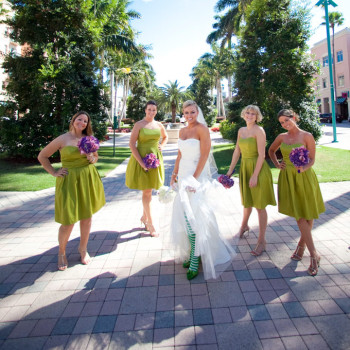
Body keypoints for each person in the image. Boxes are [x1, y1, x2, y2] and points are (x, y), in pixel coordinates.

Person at [170, 100, 235, 280]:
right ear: (183, 113)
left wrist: (194, 178)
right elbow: (180, 155)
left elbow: (205, 155)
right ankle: (193, 252)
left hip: (196, 178)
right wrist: (174, 174)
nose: (189, 115)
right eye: (186, 112)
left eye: (192, 112)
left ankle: (194, 258)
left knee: (194, 218)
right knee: (185, 216)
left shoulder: (202, 129)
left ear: (197, 112)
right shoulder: (182, 131)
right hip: (183, 176)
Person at [38, 111, 106, 271]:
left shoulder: (88, 139)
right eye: (79, 119)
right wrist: (54, 172)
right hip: (69, 181)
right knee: (68, 221)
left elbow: (95, 157)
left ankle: (83, 249)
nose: (82, 122)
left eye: (85, 121)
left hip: (87, 178)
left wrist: (92, 158)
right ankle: (61, 252)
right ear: (73, 120)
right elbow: (42, 156)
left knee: (87, 217)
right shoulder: (63, 139)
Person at [268, 109, 325, 276]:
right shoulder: (281, 137)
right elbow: (271, 151)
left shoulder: (307, 136)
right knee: (299, 216)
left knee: (307, 215)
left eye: (287, 120)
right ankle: (314, 255)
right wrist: (278, 164)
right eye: (282, 122)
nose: (285, 124)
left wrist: (304, 167)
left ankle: (301, 247)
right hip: (288, 178)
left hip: (305, 177)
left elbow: (312, 158)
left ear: (294, 117)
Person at [226, 105, 276, 256]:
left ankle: (262, 241)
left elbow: (262, 155)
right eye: (247, 112)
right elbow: (237, 151)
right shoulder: (241, 131)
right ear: (244, 114)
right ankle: (244, 226)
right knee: (247, 201)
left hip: (258, 169)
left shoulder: (259, 131)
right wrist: (229, 171)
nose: (249, 115)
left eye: (253, 114)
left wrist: (255, 175)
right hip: (245, 168)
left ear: (257, 116)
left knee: (259, 205)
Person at [125, 100, 168, 237]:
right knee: (147, 192)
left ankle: (144, 218)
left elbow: (165, 137)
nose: (151, 112)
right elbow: (132, 144)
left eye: (154, 110)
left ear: (156, 111)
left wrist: (163, 145)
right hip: (141, 159)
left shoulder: (159, 125)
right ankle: (150, 223)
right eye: (149, 109)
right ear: (145, 110)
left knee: (149, 190)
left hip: (155, 160)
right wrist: (142, 163)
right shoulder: (139, 125)